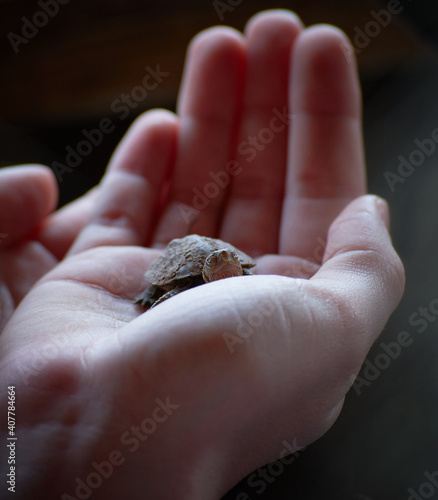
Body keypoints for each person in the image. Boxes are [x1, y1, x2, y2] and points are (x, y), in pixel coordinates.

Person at [0, 9, 404, 500]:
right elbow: (164, 287)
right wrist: (49, 423)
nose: (230, 273)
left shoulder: (239, 266)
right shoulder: (188, 273)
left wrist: (45, 428)